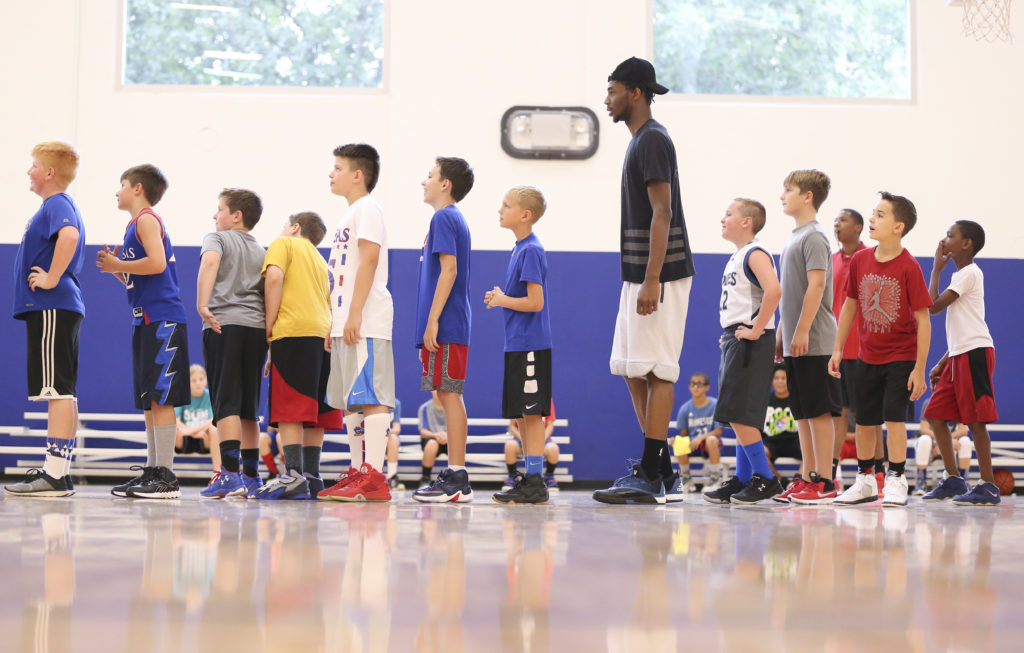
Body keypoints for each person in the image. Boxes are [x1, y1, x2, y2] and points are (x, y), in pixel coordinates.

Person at [593, 57, 695, 506]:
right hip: (639, 273)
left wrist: (653, 278)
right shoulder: (641, 141)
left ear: (635, 92)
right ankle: (663, 470)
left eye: (613, 90)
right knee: (631, 368)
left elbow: (663, 212)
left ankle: (652, 473)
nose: (607, 99)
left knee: (657, 369)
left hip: (661, 274)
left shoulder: (653, 139)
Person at [830, 191, 932, 507]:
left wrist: (919, 368)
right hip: (866, 356)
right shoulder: (861, 260)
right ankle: (865, 481)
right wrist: (837, 349)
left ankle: (897, 478)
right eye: (873, 213)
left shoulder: (909, 266)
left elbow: (924, 320)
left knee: (894, 420)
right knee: (864, 421)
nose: (872, 219)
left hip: (901, 357)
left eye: (880, 215)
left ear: (898, 227)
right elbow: (849, 306)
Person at [96, 163, 190, 499]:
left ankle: (165, 477)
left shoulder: (147, 219)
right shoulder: (133, 225)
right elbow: (145, 274)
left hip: (162, 318)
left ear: (137, 188)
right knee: (150, 400)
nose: (117, 191)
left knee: (162, 397)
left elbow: (157, 263)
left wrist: (118, 264)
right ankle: (153, 470)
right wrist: (117, 271)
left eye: (121, 184)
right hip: (145, 319)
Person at [4, 142, 85, 497]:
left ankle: (53, 475)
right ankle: (59, 474)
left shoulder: (57, 204)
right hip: (56, 308)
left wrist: (51, 277)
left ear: (50, 172)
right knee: (62, 391)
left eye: (34, 165)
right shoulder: (56, 205)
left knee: (57, 391)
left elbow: (70, 235)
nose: (29, 171)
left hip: (51, 306)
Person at [319, 143, 396, 503]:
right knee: (351, 401)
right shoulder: (349, 214)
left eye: (337, 168)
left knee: (373, 396)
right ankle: (356, 470)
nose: (331, 174)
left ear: (357, 175)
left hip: (366, 319)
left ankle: (375, 477)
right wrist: (334, 321)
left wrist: (354, 313)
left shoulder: (368, 208)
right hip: (345, 321)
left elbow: (369, 260)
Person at [255, 211, 343, 500]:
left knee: (290, 406)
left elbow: (274, 279)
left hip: (293, 332)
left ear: (295, 228)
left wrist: (269, 326)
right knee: (317, 410)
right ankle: (312, 476)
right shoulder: (321, 260)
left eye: (285, 224)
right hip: (323, 334)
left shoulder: (284, 243)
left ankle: (292, 475)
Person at [702, 198, 783, 504]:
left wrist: (756, 329)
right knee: (736, 414)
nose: (722, 219)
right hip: (737, 337)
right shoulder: (738, 255)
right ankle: (743, 478)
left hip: (751, 340)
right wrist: (731, 332)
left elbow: (774, 290)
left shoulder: (755, 252)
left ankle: (766, 479)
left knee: (740, 414)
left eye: (728, 214)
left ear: (747, 222)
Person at [196, 188, 268, 499]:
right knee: (249, 407)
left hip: (223, 324)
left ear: (236, 216)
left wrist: (202, 304)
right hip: (256, 328)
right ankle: (251, 476)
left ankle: (229, 474)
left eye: (220, 209)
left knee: (226, 401)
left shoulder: (217, 239)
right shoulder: (262, 250)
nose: (215, 215)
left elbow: (210, 263)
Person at [921, 220, 999, 505]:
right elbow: (960, 328)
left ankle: (988, 485)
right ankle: (953, 479)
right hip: (958, 355)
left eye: (950, 235)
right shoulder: (962, 276)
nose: (944, 240)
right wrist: (944, 361)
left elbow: (932, 307)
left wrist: (935, 270)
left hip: (975, 354)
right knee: (935, 414)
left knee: (976, 421)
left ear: (967, 243)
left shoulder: (970, 273)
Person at [776, 169, 842, 506]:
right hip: (794, 342)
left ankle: (825, 481)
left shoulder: (815, 236)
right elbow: (790, 292)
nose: (782, 195)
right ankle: (807, 477)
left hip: (815, 341)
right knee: (802, 413)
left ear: (807, 196)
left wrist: (801, 329)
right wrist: (782, 331)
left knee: (818, 413)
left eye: (788, 190)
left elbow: (816, 285)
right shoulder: (794, 237)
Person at [412, 157, 475, 503]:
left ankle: (457, 476)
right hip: (445, 322)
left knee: (449, 394)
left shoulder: (444, 217)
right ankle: (455, 474)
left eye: (430, 176)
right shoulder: (446, 219)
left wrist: (433, 319)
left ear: (445, 184)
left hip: (447, 322)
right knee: (446, 392)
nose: (424, 182)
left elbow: (449, 271)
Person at [487, 185, 553, 505]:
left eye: (506, 205)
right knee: (522, 416)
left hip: (530, 345)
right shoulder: (520, 249)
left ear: (525, 215)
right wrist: (503, 297)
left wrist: (502, 300)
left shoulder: (531, 250)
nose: (500, 210)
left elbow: (535, 302)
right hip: (517, 345)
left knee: (532, 414)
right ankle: (530, 478)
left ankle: (536, 481)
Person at [829, 208, 885, 493]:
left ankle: (880, 473)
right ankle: (831, 473)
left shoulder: (871, 257)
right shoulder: (830, 260)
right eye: (835, 220)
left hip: (865, 349)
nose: (836, 224)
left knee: (869, 413)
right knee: (838, 413)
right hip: (836, 349)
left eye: (843, 220)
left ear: (858, 227)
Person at [671, 373, 724, 492]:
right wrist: (677, 441)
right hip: (693, 444)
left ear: (707, 387)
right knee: (679, 442)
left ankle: (715, 478)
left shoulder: (715, 405)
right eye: (693, 384)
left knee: (711, 440)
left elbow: (718, 431)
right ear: (689, 387)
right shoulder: (685, 408)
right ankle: (686, 479)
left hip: (710, 444)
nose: (695, 387)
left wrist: (701, 438)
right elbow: (684, 434)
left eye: (699, 384)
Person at [914, 400, 971, 495]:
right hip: (932, 446)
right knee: (924, 439)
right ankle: (920, 483)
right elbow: (924, 429)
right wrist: (941, 441)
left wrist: (946, 441)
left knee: (965, 441)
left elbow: (964, 430)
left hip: (950, 445)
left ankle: (964, 483)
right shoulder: (930, 402)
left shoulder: (956, 403)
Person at [174, 363, 220, 479]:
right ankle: (164, 473)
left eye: (201, 379)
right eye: (193, 380)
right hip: (183, 439)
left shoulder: (210, 395)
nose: (198, 383)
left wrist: (191, 431)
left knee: (214, 428)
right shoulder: (182, 395)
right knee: (171, 428)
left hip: (204, 438)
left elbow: (212, 419)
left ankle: (217, 473)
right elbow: (175, 419)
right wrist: (190, 432)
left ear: (206, 380)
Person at [503, 399, 559, 493]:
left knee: (553, 449)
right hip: (521, 439)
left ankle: (549, 477)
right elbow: (512, 426)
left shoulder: (546, 399)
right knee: (509, 446)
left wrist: (541, 440)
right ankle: (513, 476)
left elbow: (550, 425)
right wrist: (523, 438)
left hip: (542, 439)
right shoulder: (517, 398)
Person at [760, 365, 801, 483]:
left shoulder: (798, 399)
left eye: (783, 378)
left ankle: (798, 481)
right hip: (771, 441)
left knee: (811, 450)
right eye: (776, 378)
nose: (780, 381)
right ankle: (780, 482)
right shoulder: (764, 400)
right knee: (759, 452)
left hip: (795, 440)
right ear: (771, 381)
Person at [416, 391, 448, 490]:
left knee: (456, 443)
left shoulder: (452, 408)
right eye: (435, 388)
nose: (438, 391)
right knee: (432, 444)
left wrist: (448, 435)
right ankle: (425, 478)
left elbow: (457, 428)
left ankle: (457, 478)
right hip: (431, 439)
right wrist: (435, 435)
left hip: (449, 439)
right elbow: (423, 431)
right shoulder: (424, 408)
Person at [386, 398, 404, 490]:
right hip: (374, 437)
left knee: (393, 438)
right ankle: (372, 477)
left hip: (388, 438)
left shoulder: (396, 403)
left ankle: (391, 477)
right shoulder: (371, 399)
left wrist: (386, 433)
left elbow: (397, 428)